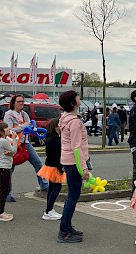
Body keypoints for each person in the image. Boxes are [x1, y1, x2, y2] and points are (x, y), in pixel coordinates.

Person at [4, 94, 49, 202]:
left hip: (25, 143)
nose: (21, 103)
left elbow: (30, 125)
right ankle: (7, 194)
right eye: (19, 101)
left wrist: (31, 127)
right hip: (13, 144)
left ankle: (44, 185)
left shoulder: (24, 114)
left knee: (38, 163)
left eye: (22, 101)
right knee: (9, 169)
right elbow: (9, 131)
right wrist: (24, 126)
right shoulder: (9, 115)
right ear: (13, 103)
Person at [58, 91, 89, 243]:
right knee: (72, 197)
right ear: (72, 102)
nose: (79, 98)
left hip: (68, 160)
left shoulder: (64, 118)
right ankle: (64, 231)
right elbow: (77, 147)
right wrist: (84, 168)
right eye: (76, 97)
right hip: (74, 162)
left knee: (72, 196)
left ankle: (67, 227)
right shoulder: (75, 122)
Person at [37, 117, 66, 221]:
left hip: (50, 166)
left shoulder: (52, 137)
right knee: (56, 188)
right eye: (60, 124)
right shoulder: (55, 139)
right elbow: (56, 155)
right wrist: (61, 167)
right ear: (55, 127)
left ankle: (49, 210)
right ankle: (48, 211)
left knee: (52, 188)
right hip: (55, 166)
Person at [0, 122, 17, 221]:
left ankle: (2, 211)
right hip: (3, 167)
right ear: (2, 132)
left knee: (5, 190)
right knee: (3, 190)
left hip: (4, 167)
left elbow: (11, 150)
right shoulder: (3, 141)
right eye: (6, 128)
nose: (9, 129)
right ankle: (1, 212)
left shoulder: (5, 139)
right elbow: (14, 150)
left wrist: (13, 138)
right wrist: (14, 139)